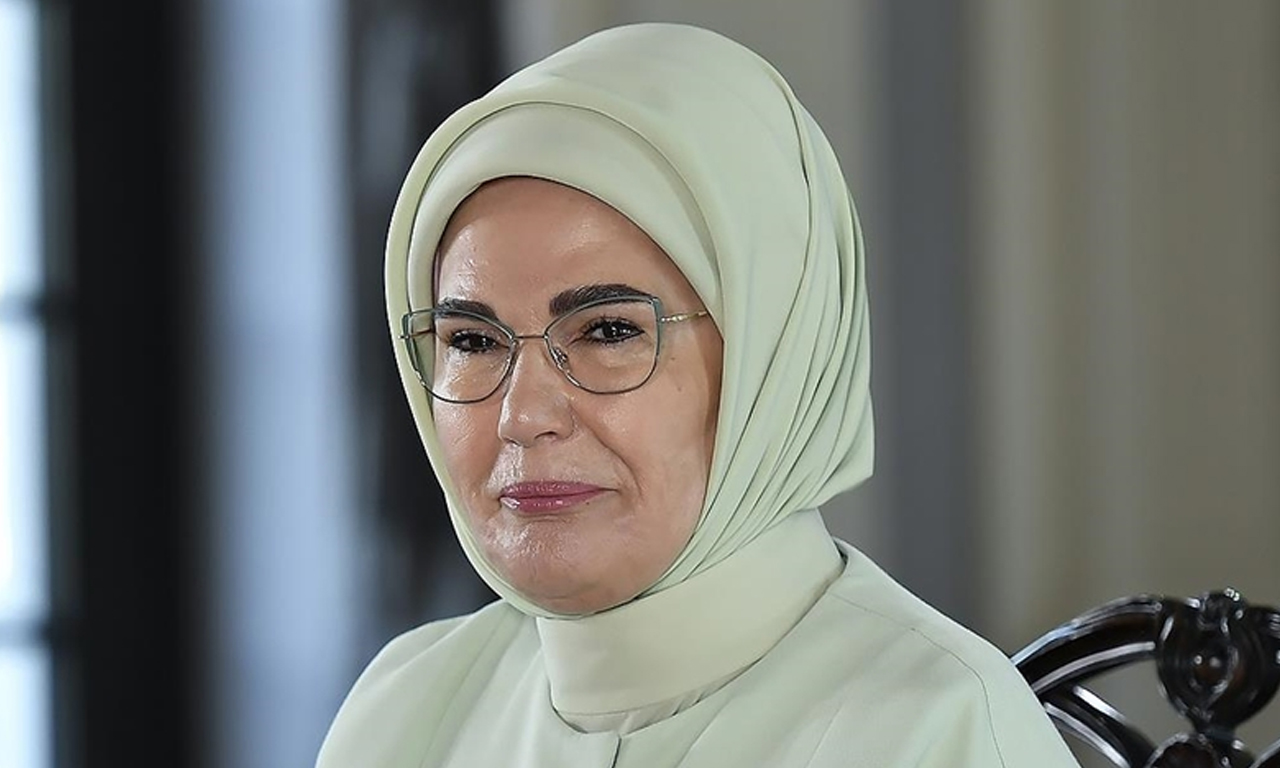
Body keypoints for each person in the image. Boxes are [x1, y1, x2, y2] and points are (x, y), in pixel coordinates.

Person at [317, 22, 1080, 767]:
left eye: (608, 331)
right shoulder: (405, 712)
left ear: (772, 359)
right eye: (472, 342)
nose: (522, 417)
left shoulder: (937, 734)